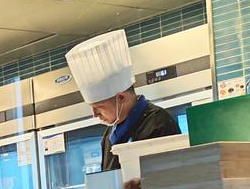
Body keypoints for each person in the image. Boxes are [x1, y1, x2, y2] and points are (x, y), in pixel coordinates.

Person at [65, 29, 180, 174]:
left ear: (121, 98)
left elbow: (165, 179)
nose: (95, 114)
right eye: (91, 107)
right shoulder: (109, 135)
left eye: (99, 107)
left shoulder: (158, 124)